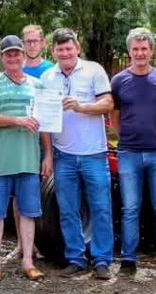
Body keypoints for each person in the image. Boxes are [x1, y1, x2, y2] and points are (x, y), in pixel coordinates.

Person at [42, 28, 116, 279]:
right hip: (63, 155)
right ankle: (76, 258)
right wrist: (48, 154)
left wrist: (81, 106)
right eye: (60, 49)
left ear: (77, 48)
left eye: (69, 48)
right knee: (68, 210)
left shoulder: (94, 70)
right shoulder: (47, 77)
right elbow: (45, 122)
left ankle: (102, 260)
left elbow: (108, 103)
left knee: (101, 209)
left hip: (94, 154)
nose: (65, 53)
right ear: (53, 51)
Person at [0, 36, 47, 282]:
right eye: (8, 54)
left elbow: (45, 122)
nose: (13, 58)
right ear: (2, 58)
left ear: (23, 55)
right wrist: (17, 120)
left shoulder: (37, 85)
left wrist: (48, 154)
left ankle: (28, 261)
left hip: (29, 160)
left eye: (17, 53)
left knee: (29, 213)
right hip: (0, 161)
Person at [111, 27, 156, 278]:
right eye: (135, 49)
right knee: (130, 208)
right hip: (129, 152)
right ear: (129, 51)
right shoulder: (119, 81)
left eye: (144, 49)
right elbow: (114, 116)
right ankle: (128, 260)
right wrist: (124, 136)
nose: (140, 53)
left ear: (151, 51)